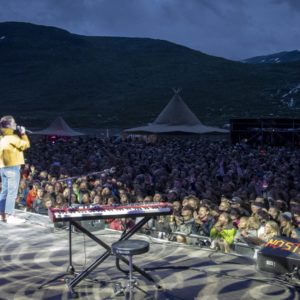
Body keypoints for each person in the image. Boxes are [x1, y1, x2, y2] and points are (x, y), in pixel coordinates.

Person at [0, 115, 30, 223]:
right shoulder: (12, 137)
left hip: (2, 167)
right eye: (14, 123)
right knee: (12, 192)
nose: (15, 124)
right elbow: (26, 145)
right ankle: (9, 215)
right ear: (8, 125)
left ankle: (2, 214)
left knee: (4, 191)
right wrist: (22, 133)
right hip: (12, 167)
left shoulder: (2, 137)